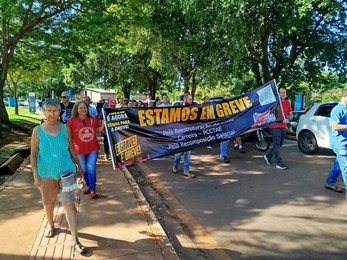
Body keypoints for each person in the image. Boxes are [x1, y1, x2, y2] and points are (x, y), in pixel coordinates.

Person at [30, 99, 86, 254]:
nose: (52, 114)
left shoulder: (65, 129)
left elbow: (71, 149)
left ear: (60, 111)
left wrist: (79, 166)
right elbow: (33, 155)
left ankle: (75, 238)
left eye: (55, 110)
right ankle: (50, 224)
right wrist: (35, 175)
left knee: (69, 204)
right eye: (48, 110)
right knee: (48, 202)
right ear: (43, 111)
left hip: (67, 171)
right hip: (46, 172)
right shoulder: (37, 131)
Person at [67, 100, 103, 198]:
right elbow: (69, 137)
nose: (83, 109)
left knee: (91, 168)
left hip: (93, 148)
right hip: (79, 150)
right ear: (77, 110)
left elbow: (99, 130)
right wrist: (70, 149)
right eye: (81, 108)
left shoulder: (92, 119)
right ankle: (88, 185)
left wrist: (104, 122)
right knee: (84, 169)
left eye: (85, 107)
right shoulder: (71, 122)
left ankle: (92, 189)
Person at [264, 87, 293, 169]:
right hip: (275, 126)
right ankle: (279, 163)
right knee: (276, 145)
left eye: (284, 92)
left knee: (279, 145)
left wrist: (288, 118)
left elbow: (291, 114)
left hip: (283, 126)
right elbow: (268, 114)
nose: (283, 94)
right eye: (281, 92)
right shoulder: (274, 103)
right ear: (278, 93)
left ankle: (268, 156)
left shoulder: (287, 103)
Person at [325, 90, 347, 194]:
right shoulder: (337, 109)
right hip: (340, 143)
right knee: (345, 167)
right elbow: (334, 126)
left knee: (339, 164)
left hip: (345, 142)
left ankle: (330, 182)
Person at [172, 93, 196, 178]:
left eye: (191, 99)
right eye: (190, 99)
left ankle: (186, 170)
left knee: (188, 153)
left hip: (189, 135)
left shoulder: (193, 109)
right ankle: (175, 165)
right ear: (185, 100)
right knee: (178, 153)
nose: (191, 101)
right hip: (180, 135)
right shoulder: (178, 109)